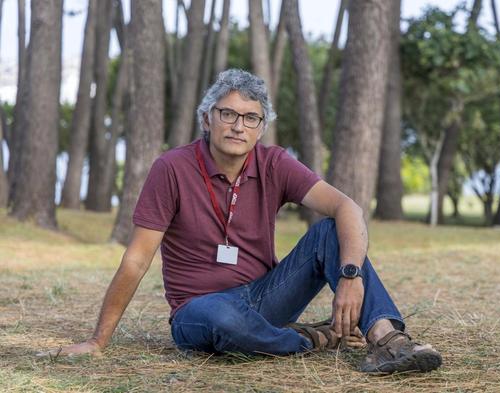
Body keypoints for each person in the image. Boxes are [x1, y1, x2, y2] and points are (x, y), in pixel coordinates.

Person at [42, 69, 441, 374]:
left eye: (251, 118)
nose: (238, 126)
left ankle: (388, 342)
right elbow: (136, 260)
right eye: (228, 113)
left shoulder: (274, 162)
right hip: (199, 310)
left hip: (265, 296)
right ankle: (308, 338)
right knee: (223, 319)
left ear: (261, 128)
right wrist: (98, 340)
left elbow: (347, 207)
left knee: (327, 233)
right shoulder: (172, 168)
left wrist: (350, 276)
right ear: (206, 119)